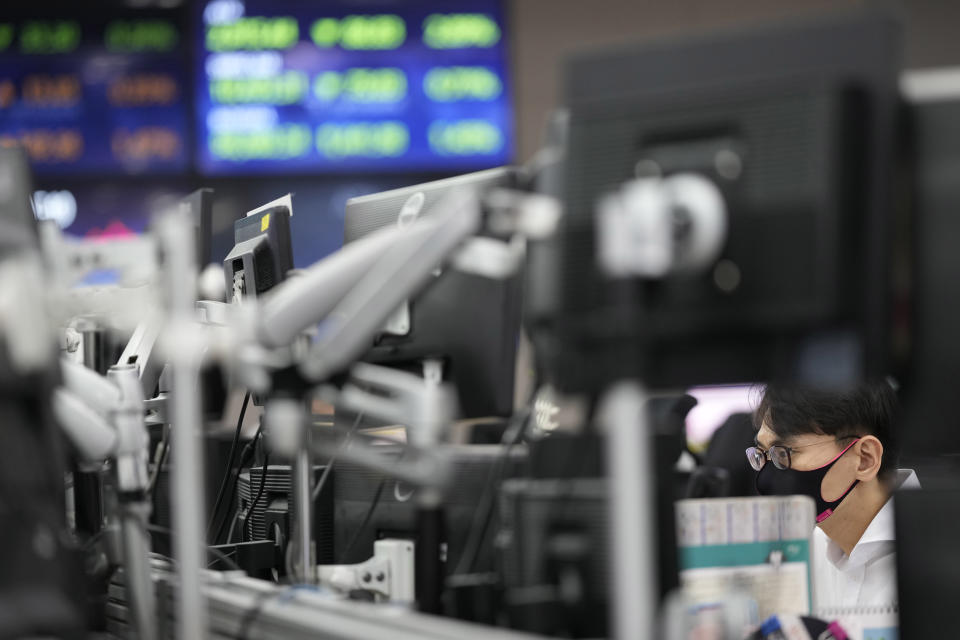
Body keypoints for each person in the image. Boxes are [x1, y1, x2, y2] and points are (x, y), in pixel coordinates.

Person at [746, 382, 919, 609]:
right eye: (762, 455)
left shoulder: (938, 554)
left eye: (784, 453)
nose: (767, 476)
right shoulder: (802, 553)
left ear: (865, 459)